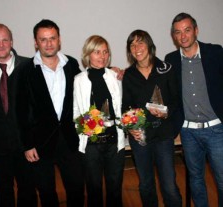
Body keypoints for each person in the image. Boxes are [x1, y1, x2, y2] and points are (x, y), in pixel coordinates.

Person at [16, 19, 84, 207]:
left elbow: (85, 87)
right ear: (35, 42)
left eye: (52, 38)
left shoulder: (71, 64)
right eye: (43, 39)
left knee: (77, 188)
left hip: (70, 139)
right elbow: (21, 110)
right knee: (46, 192)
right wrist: (27, 144)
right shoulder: (25, 70)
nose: (48, 43)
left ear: (59, 39)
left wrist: (113, 72)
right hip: (40, 142)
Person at [165, 12, 223, 207]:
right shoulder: (170, 60)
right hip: (188, 132)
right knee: (196, 181)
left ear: (196, 30)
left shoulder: (215, 52)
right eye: (178, 32)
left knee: (222, 181)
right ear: (173, 36)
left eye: (187, 30)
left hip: (216, 130)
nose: (183, 36)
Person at [0, 23, 37, 207]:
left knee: (27, 189)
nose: (1, 44)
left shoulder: (29, 66)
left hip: (25, 144)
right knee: (2, 190)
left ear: (11, 42)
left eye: (5, 40)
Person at [122, 30, 182, 207]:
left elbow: (176, 101)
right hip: (141, 138)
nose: (136, 47)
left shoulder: (166, 69)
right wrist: (129, 126)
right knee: (146, 185)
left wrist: (166, 112)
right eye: (132, 44)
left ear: (149, 45)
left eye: (140, 42)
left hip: (163, 136)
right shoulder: (129, 75)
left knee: (169, 186)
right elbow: (126, 107)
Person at [73, 35, 125, 207]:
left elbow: (122, 106)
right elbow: (75, 113)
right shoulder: (78, 80)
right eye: (97, 52)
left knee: (115, 189)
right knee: (94, 190)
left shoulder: (115, 77)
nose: (102, 56)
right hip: (91, 145)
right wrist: (83, 126)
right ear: (88, 54)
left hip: (114, 142)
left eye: (105, 52)